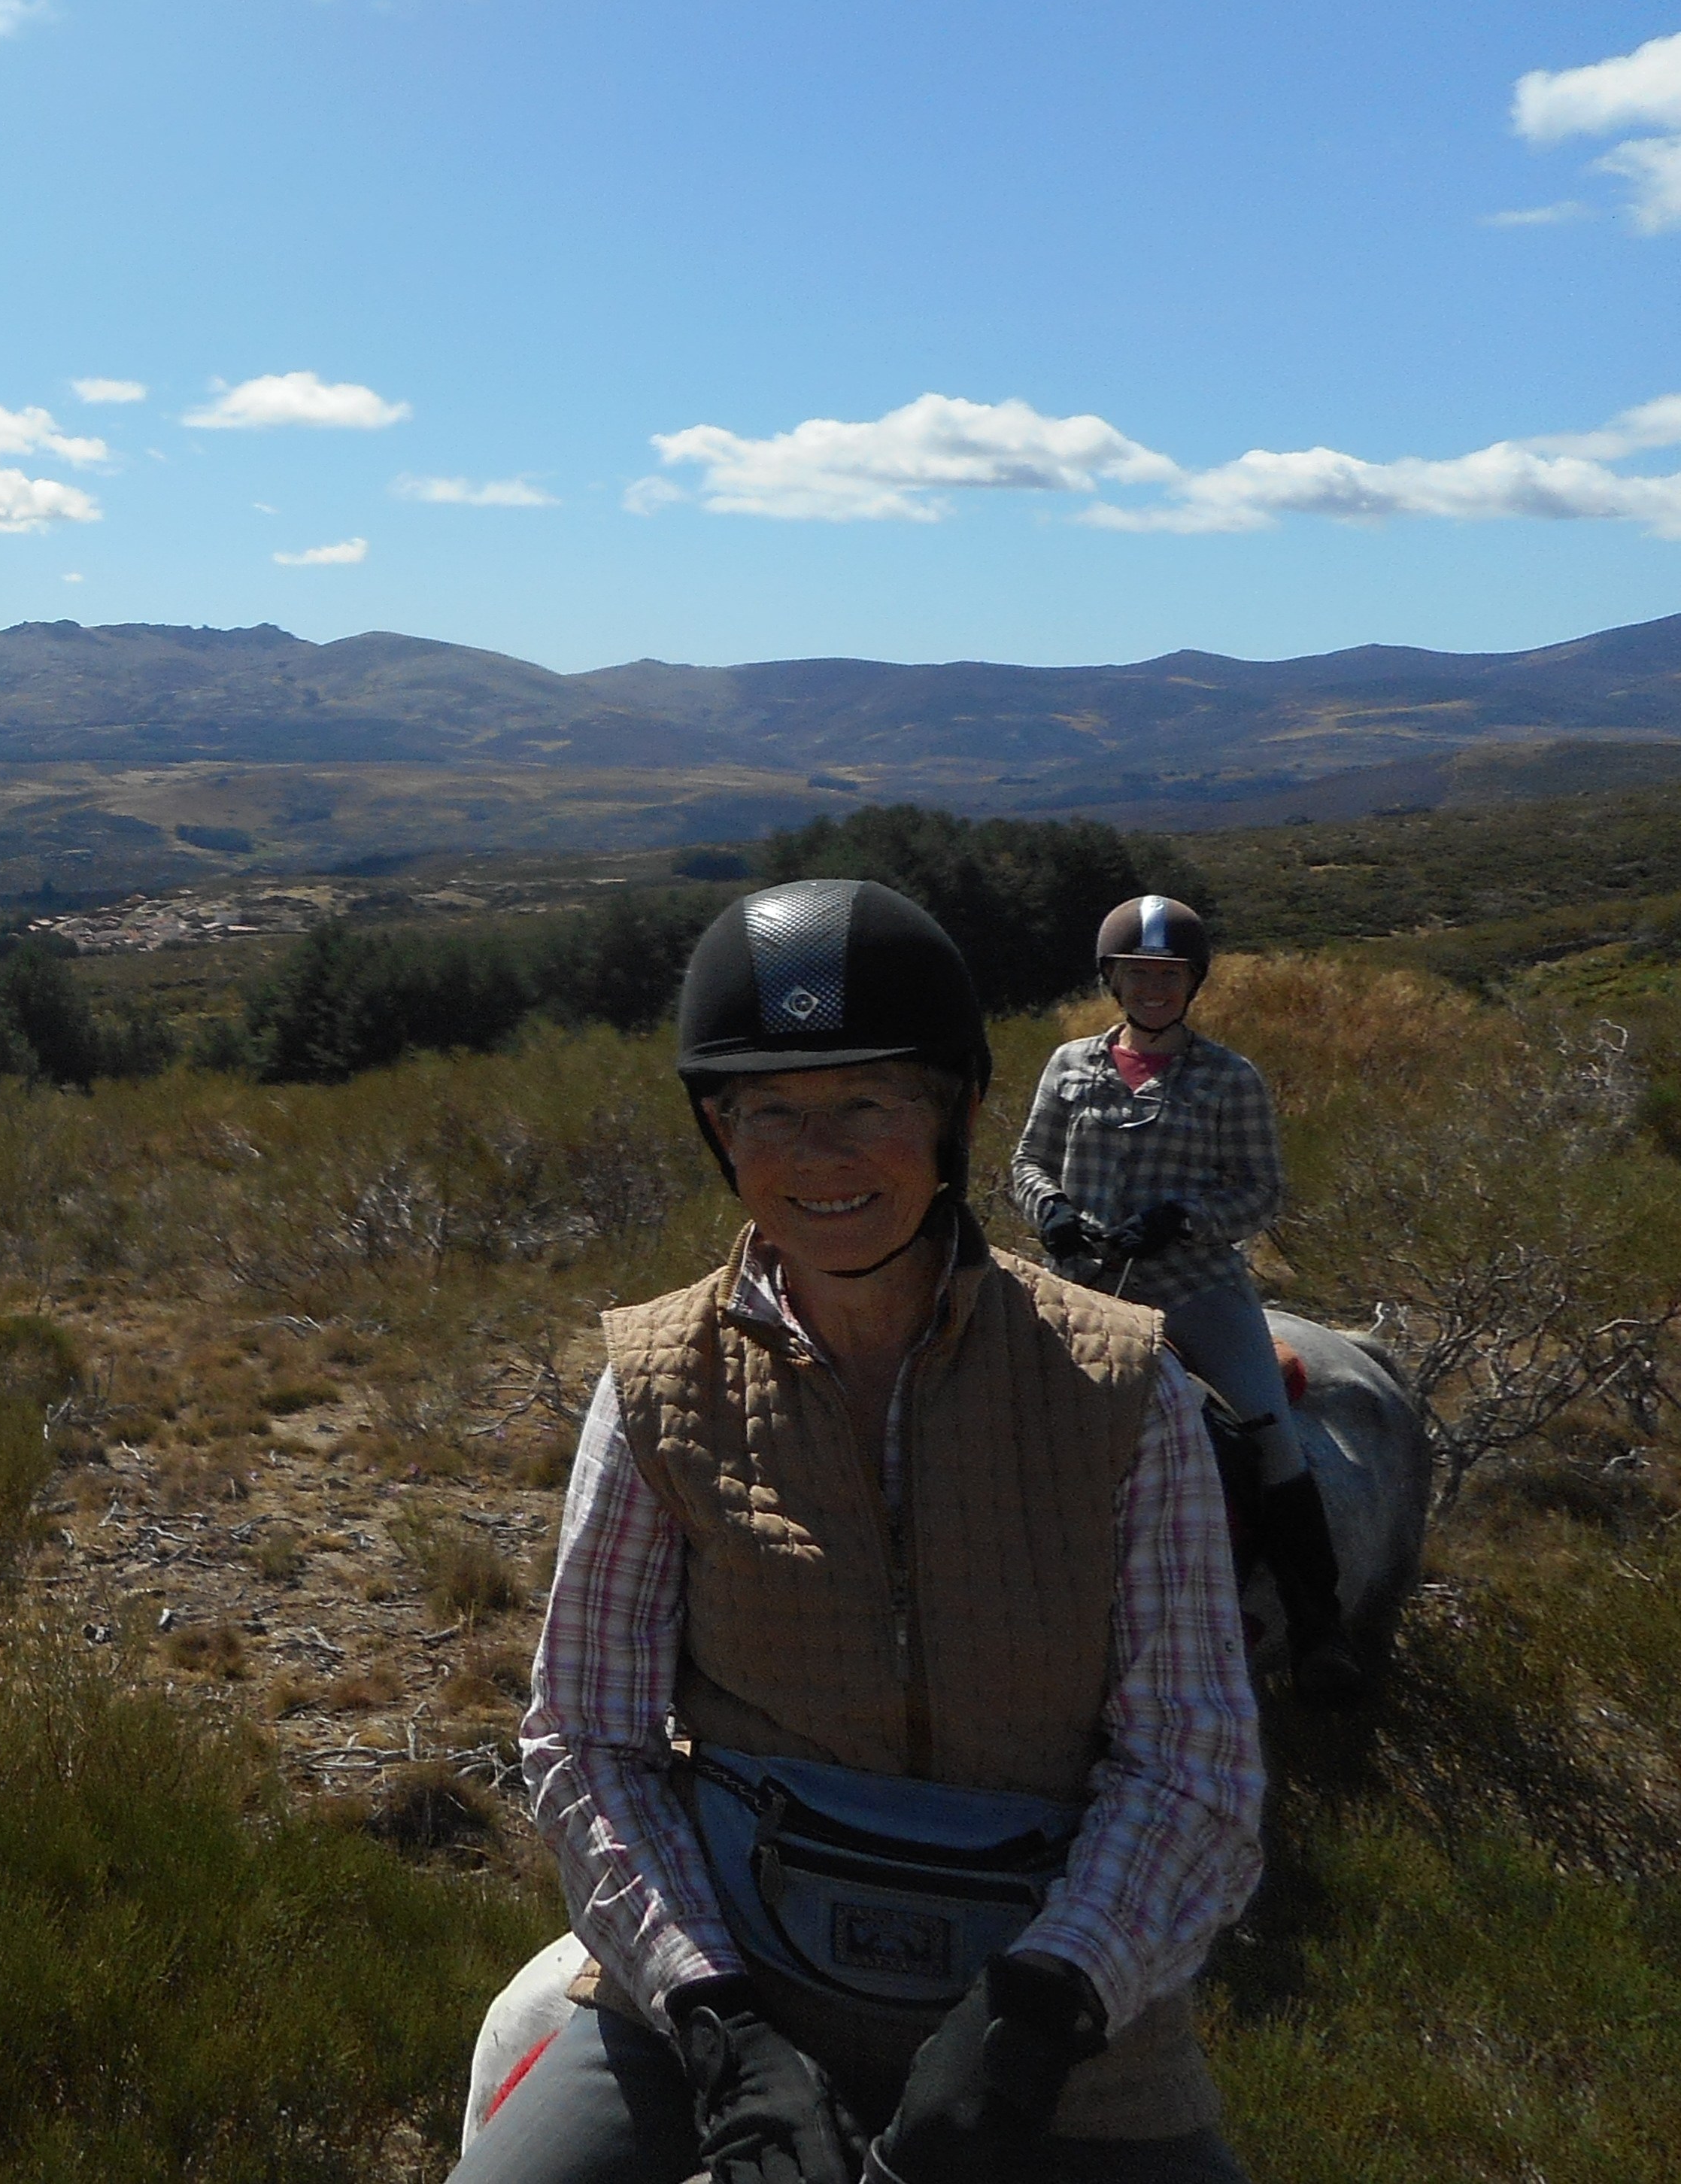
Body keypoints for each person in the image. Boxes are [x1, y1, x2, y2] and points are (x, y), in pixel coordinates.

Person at [463, 879, 1264, 2184]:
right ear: (718, 1131)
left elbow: (1193, 1764)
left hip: (1057, 2023)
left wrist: (1042, 2006)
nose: (820, 1157)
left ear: (952, 1112)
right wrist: (712, 2017)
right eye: (770, 1110)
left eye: (868, 1103)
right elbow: (587, 1734)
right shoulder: (655, 1380)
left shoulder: (1126, 1389)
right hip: (736, 1980)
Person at [1009, 896, 1360, 1708]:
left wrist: (1185, 1219)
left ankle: (1318, 1628)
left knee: (1272, 1437)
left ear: (1193, 983)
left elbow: (1261, 1192)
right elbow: (1029, 1162)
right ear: (1113, 980)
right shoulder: (1068, 1065)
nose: (1153, 989)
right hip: (1081, 1290)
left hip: (1193, 1290)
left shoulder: (1230, 1078)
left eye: (1168, 975)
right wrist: (1049, 1210)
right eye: (1138, 974)